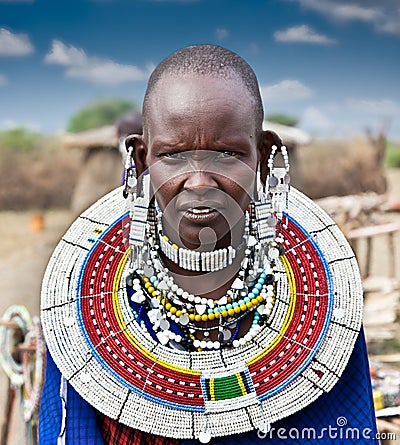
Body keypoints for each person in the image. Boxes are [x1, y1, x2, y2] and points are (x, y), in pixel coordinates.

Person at [39, 45, 377, 444]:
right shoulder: (82, 308)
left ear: (264, 157)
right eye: (174, 156)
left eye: (228, 154)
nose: (200, 182)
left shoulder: (322, 302)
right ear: (142, 158)